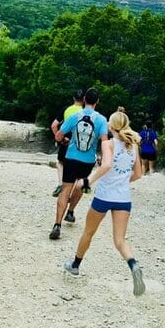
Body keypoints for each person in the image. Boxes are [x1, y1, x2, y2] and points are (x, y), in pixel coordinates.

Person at [62, 108, 146, 296]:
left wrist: (87, 181)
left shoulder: (108, 144)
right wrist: (123, 181)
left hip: (104, 196)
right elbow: (139, 174)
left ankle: (75, 265)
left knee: (88, 232)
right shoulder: (133, 146)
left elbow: (107, 165)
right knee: (119, 240)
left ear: (111, 126)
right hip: (123, 199)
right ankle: (133, 265)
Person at [49, 87, 109, 241]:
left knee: (65, 190)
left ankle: (57, 224)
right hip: (88, 161)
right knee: (82, 185)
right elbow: (104, 142)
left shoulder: (75, 116)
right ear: (97, 102)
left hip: (71, 157)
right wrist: (103, 157)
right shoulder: (102, 120)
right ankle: (71, 211)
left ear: (84, 100)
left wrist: (63, 140)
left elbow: (58, 135)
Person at [50, 89, 85, 197]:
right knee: (78, 168)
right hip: (80, 143)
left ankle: (61, 184)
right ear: (84, 99)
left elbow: (54, 125)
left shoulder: (66, 110)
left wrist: (59, 139)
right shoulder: (87, 112)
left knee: (60, 162)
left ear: (73, 98)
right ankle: (73, 191)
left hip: (66, 141)